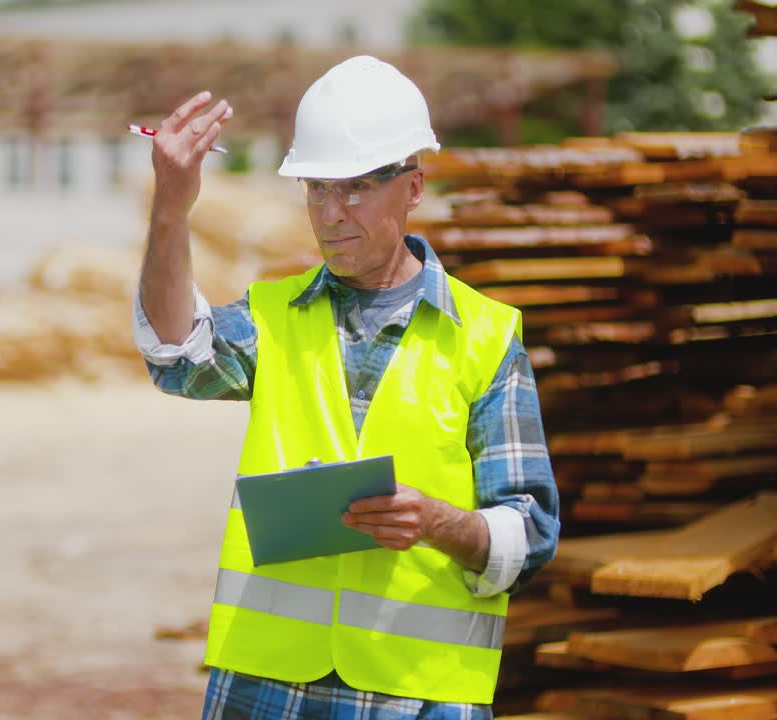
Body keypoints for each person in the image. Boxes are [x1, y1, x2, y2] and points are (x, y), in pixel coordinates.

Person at [132, 56, 560, 719]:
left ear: (412, 187)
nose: (330, 214)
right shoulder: (274, 317)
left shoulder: (484, 338)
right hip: (265, 685)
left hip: (417, 694)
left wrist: (437, 522)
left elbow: (529, 534)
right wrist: (171, 204)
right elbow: (177, 355)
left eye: (355, 188)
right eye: (316, 189)